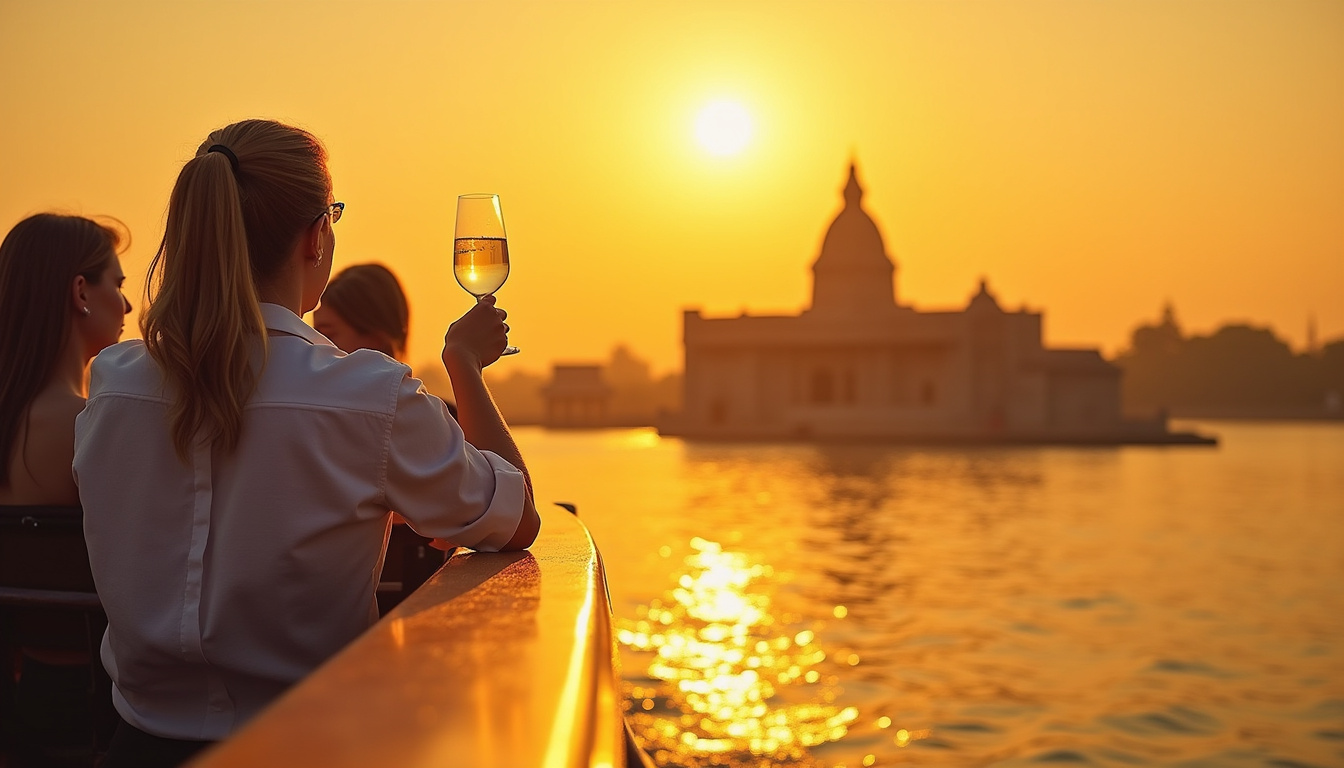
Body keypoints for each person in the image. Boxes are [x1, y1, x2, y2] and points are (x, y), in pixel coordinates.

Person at [73, 119, 539, 768]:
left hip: (135, 749)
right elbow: (516, 519)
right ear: (317, 235)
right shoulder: (369, 397)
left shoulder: (113, 384)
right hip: (313, 747)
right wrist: (463, 362)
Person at [0, 212, 132, 762]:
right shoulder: (93, 427)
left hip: (18, 704)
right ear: (81, 292)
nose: (128, 305)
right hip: (107, 708)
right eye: (117, 285)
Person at [313, 263, 452, 610]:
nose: (316, 347)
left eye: (328, 334)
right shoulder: (308, 420)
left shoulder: (444, 422)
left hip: (428, 619)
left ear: (375, 338)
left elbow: (502, 513)